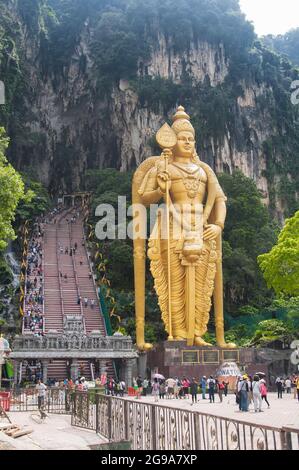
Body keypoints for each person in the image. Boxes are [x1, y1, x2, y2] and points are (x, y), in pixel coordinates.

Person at [133, 105, 236, 350]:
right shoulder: (163, 166)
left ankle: (198, 331)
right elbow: (144, 197)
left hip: (201, 228)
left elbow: (219, 200)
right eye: (182, 138)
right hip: (172, 226)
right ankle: (178, 332)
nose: (187, 142)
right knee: (175, 282)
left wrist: (219, 225)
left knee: (202, 284)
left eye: (191, 138)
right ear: (172, 141)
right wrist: (160, 188)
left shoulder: (205, 170)